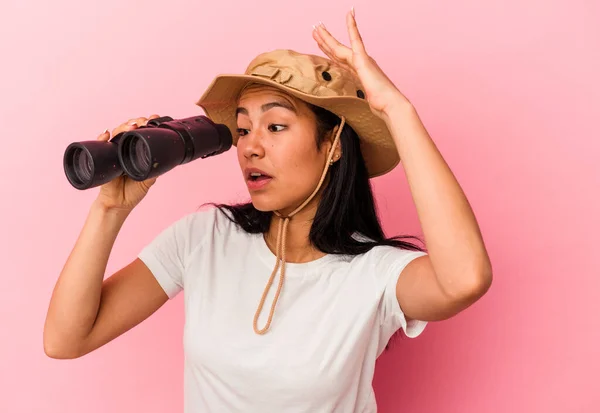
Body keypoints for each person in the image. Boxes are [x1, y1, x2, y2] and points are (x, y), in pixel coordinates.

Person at [44, 9, 492, 413]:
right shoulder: (205, 237)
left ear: (333, 145)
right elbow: (66, 340)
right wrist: (110, 208)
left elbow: (465, 280)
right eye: (242, 129)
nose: (250, 147)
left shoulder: (373, 274)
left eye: (275, 126)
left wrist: (396, 109)